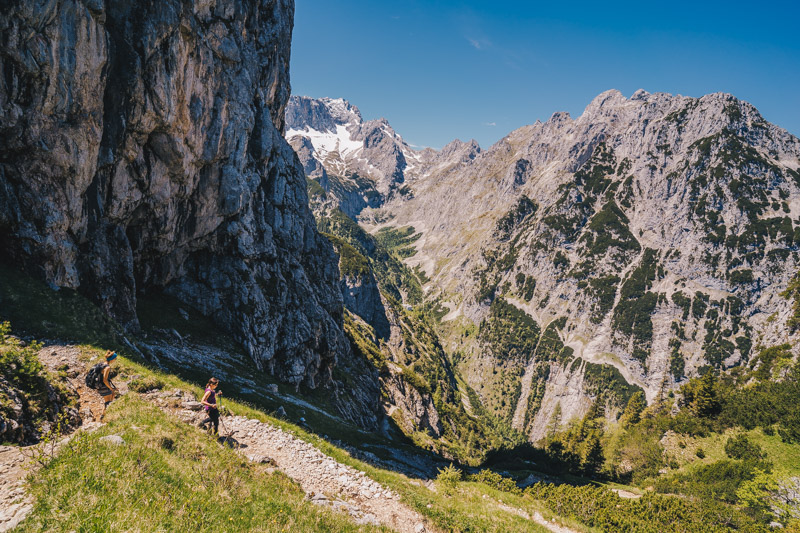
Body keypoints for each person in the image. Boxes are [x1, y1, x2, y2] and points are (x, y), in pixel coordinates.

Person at [98, 350, 119, 419]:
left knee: (112, 395)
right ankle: (105, 417)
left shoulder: (102, 364)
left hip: (100, 386)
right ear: (112, 359)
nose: (115, 360)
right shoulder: (107, 367)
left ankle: (103, 415)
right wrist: (110, 388)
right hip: (103, 387)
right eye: (115, 358)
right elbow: (105, 380)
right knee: (108, 402)